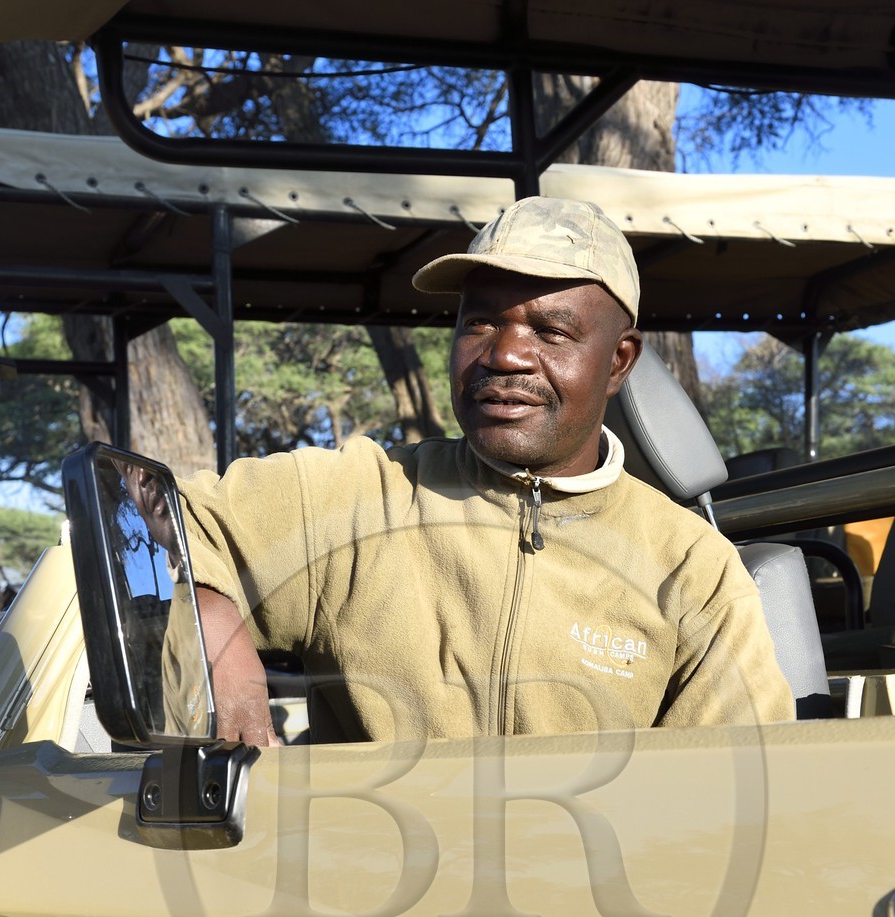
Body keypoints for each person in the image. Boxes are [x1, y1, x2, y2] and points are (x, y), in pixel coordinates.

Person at [177, 197, 794, 744]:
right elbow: (143, 512)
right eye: (480, 322)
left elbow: (732, 786)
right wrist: (211, 619)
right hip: (365, 863)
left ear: (618, 362)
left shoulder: (692, 566)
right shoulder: (363, 493)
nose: (504, 354)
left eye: (551, 331)